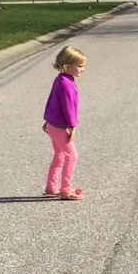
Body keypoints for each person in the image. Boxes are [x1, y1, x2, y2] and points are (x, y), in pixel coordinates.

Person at [43, 45, 86, 201]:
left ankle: (51, 187)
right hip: (61, 126)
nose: (83, 69)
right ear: (67, 66)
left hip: (52, 125)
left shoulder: (61, 79)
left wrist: (46, 120)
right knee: (72, 156)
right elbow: (69, 107)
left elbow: (51, 101)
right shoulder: (66, 84)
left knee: (60, 155)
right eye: (80, 66)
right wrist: (72, 126)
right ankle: (66, 190)